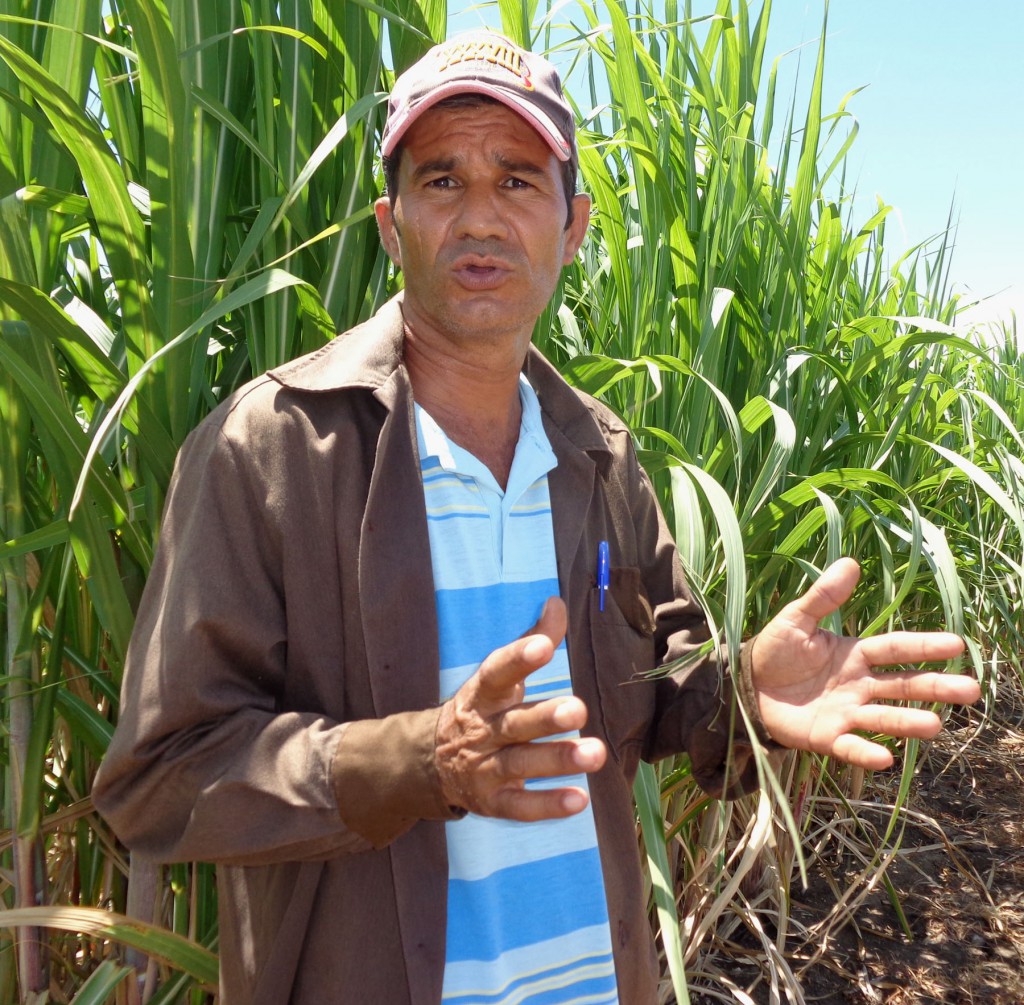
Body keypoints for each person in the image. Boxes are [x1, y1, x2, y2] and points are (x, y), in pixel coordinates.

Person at [93, 30, 981, 1005]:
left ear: (574, 227)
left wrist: (743, 699)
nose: (481, 218)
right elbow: (158, 782)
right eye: (442, 182)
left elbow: (658, 694)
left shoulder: (595, 454)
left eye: (517, 182)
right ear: (391, 226)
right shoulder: (268, 449)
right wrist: (421, 762)